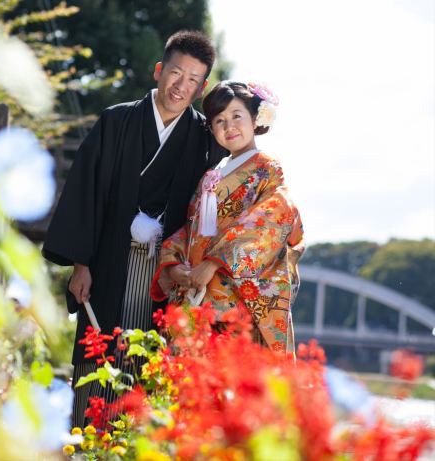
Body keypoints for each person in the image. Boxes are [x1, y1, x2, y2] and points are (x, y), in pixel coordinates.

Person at [42, 31, 227, 426]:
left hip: (166, 270)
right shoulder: (116, 121)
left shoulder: (203, 139)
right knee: (100, 351)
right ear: (159, 70)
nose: (181, 86)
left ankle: (135, 442)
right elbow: (86, 191)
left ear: (202, 87)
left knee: (151, 358)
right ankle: (89, 440)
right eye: (176, 73)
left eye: (193, 80)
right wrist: (80, 264)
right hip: (109, 261)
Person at [150, 81, 304, 354]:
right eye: (219, 120)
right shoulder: (212, 174)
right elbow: (191, 228)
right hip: (198, 293)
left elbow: (271, 221)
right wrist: (173, 264)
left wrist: (213, 263)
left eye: (236, 116)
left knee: (229, 372)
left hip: (234, 298)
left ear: (255, 119)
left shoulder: (267, 167)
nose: (229, 126)